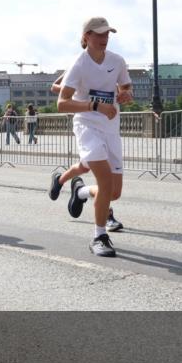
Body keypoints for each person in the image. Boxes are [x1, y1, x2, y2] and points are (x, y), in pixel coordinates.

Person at [52, 16, 133, 257]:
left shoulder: (117, 61)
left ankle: (80, 192)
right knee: (105, 182)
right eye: (99, 34)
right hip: (87, 127)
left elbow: (125, 87)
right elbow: (62, 103)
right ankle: (99, 236)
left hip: (111, 129)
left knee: (114, 193)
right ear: (86, 36)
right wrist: (95, 106)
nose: (104, 38)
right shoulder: (79, 65)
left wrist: (126, 95)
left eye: (107, 34)